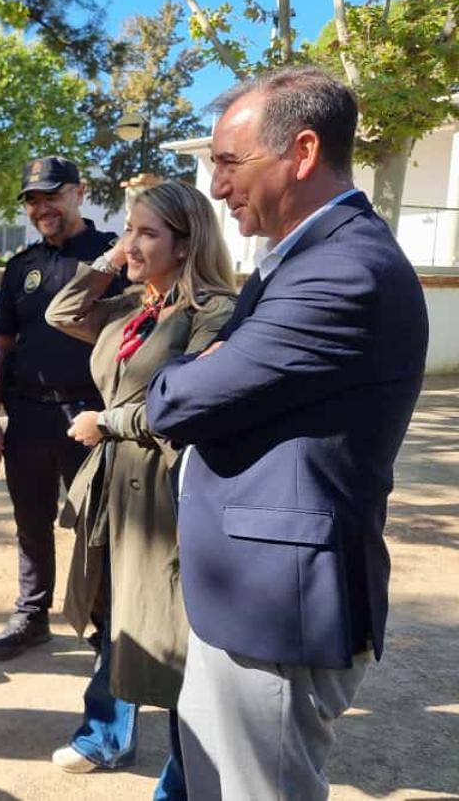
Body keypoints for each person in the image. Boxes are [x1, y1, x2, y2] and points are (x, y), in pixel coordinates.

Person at [146, 67, 429, 800]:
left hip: (277, 607)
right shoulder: (304, 262)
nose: (217, 186)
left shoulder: (343, 271)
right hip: (250, 596)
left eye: (229, 163)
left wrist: (186, 371)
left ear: (302, 152)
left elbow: (176, 404)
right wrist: (207, 364)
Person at [45, 182, 237, 797]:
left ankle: (183, 784)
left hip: (167, 494)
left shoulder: (212, 312)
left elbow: (191, 405)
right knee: (118, 618)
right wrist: (117, 253)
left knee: (176, 639)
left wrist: (107, 422)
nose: (131, 242)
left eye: (148, 232)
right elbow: (61, 312)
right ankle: (107, 735)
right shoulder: (134, 305)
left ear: (186, 243)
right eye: (129, 228)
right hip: (115, 492)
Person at [0, 156, 124, 661]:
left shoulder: (115, 256)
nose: (41, 207)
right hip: (28, 413)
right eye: (32, 199)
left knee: (95, 525)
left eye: (52, 195)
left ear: (79, 193)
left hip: (90, 415)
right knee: (31, 521)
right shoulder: (21, 267)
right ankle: (32, 613)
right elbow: (2, 346)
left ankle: (105, 623)